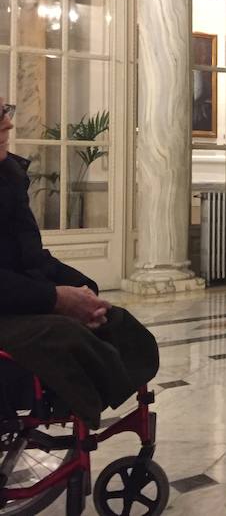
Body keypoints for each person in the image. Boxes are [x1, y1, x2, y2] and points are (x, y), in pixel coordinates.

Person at [0, 97, 159, 428]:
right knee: (66, 337)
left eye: (7, 110)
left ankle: (80, 406)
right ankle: (71, 408)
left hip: (20, 297)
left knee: (115, 321)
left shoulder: (9, 176)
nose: (9, 123)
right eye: (0, 114)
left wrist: (83, 289)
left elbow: (30, 256)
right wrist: (57, 299)